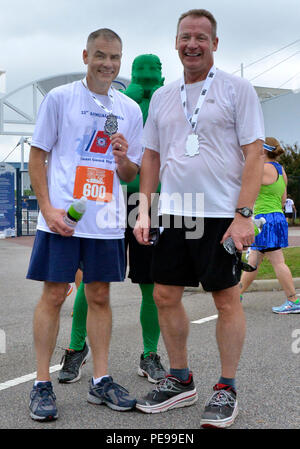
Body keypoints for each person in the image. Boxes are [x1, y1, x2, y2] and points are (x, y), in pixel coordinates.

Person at [133, 9, 265, 428]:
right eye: (186, 36)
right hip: (175, 211)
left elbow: (254, 153)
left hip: (221, 213)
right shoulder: (162, 96)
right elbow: (151, 155)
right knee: (164, 296)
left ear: (215, 44)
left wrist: (244, 216)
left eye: (201, 37)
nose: (193, 44)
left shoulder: (236, 89)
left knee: (225, 297)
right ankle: (180, 379)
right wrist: (145, 207)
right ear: (176, 42)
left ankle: (226, 388)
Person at [26, 28, 143, 421]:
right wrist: (46, 208)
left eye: (114, 57)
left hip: (106, 221)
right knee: (55, 295)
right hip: (63, 218)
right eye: (100, 55)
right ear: (85, 55)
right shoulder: (60, 99)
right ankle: (42, 383)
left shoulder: (130, 109)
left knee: (99, 297)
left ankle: (101, 380)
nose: (107, 64)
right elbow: (37, 156)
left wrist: (124, 156)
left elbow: (128, 174)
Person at [58, 54, 166, 385]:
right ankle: (77, 347)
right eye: (143, 71)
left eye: (153, 72)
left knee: (152, 284)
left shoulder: (167, 101)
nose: (148, 76)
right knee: (91, 282)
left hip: (150, 200)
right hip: (107, 198)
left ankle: (150, 354)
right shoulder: (117, 102)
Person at [240, 137, 300, 314]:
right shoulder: (281, 170)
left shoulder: (263, 169)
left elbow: (244, 184)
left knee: (277, 261)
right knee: (253, 260)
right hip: (276, 217)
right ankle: (237, 293)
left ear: (263, 150)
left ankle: (293, 300)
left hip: (264, 219)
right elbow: (283, 199)